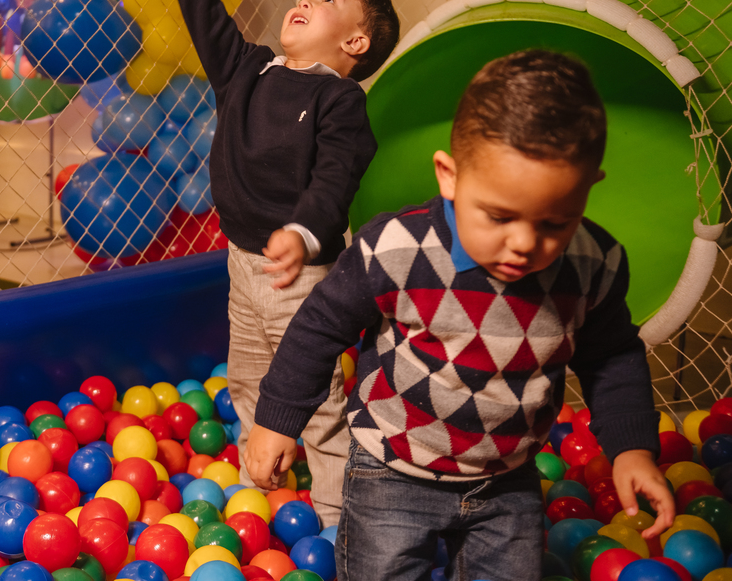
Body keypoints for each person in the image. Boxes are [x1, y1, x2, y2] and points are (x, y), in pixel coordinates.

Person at [244, 50, 674, 581]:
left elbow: (612, 357)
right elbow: (320, 325)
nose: (523, 244)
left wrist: (631, 448)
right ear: (449, 176)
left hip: (507, 478)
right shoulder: (397, 248)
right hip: (392, 469)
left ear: (589, 189)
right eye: (498, 216)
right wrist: (277, 420)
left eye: (555, 222)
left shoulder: (593, 265)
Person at [149, 0, 400, 525]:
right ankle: (254, 501)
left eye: (329, 1)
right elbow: (205, 14)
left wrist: (303, 232)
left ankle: (337, 519)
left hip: (303, 272)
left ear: (355, 41)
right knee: (249, 382)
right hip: (241, 261)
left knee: (313, 400)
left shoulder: (338, 99)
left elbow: (337, 175)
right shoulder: (249, 69)